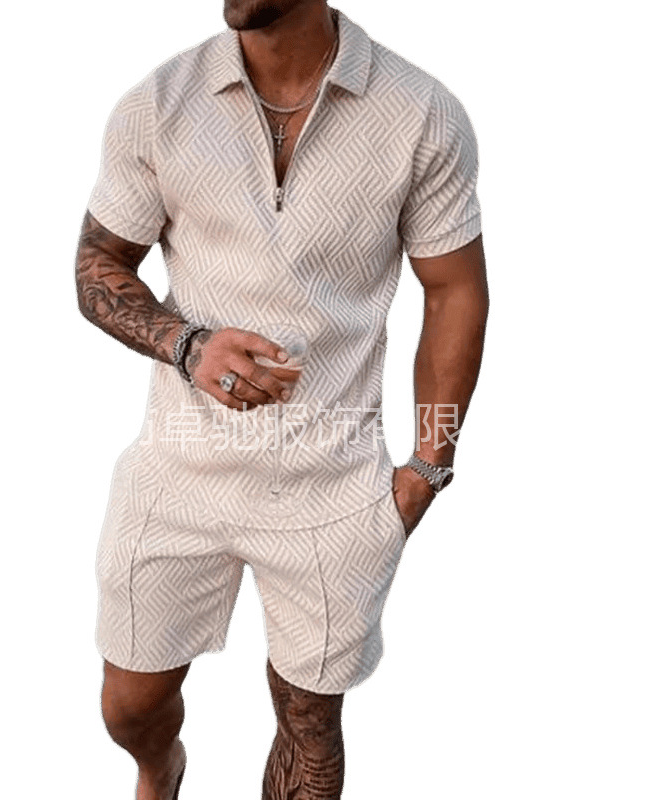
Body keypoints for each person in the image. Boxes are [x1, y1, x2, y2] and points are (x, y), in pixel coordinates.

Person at [75, 0, 489, 796]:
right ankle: (162, 766)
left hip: (333, 487)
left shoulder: (421, 113)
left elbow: (454, 291)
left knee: (309, 725)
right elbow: (98, 267)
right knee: (129, 707)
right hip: (176, 472)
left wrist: (426, 468)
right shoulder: (157, 105)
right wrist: (188, 345)